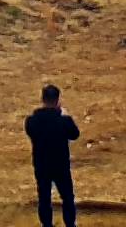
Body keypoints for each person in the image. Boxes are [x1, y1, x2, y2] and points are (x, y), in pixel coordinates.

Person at [25, 85, 81, 227]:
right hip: (60, 165)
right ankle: (70, 224)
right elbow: (75, 134)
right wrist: (64, 114)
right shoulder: (63, 121)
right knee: (67, 197)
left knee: (44, 198)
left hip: (41, 165)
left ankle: (47, 225)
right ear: (57, 100)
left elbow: (31, 131)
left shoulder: (32, 121)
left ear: (42, 99)